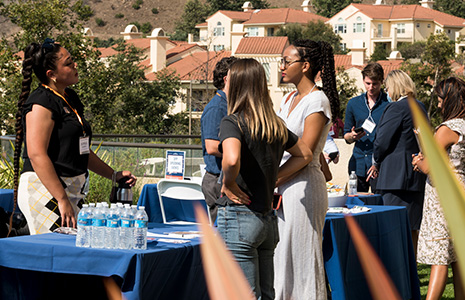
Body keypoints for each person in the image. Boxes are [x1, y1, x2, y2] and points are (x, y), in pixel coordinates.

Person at [12, 38, 136, 235]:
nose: (75, 66)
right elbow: (36, 155)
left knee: (73, 249)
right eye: (68, 64)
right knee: (55, 251)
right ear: (51, 74)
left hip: (71, 192)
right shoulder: (41, 102)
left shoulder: (70, 99)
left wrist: (114, 175)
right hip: (44, 191)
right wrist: (61, 199)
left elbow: (82, 151)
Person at [216, 58, 312, 300]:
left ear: (235, 85)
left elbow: (231, 159)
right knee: (267, 294)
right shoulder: (275, 125)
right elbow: (305, 154)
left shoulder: (232, 121)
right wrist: (274, 176)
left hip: (239, 218)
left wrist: (229, 183)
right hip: (267, 220)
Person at [274, 39, 340, 300]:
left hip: (302, 188)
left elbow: (306, 153)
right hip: (283, 187)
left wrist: (272, 179)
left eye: (287, 61)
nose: (282, 66)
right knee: (282, 258)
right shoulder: (289, 97)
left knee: (302, 261)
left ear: (305, 66)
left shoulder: (317, 101)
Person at [412, 77, 465, 300]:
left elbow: (429, 166)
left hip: (442, 197)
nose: (440, 104)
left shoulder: (447, 128)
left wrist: (418, 161)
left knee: (440, 257)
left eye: (442, 99)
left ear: (450, 100)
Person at [368, 69, 427, 253]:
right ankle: (410, 273)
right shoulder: (420, 106)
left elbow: (382, 141)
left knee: (392, 230)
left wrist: (376, 161)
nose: (387, 92)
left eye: (387, 88)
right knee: (411, 230)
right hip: (415, 176)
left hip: (395, 178)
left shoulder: (396, 107)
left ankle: (396, 274)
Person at [200, 56, 237, 224]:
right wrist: (238, 152)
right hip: (217, 180)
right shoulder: (216, 108)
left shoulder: (229, 105)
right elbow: (212, 147)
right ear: (227, 79)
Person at [344, 62, 389, 193]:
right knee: (357, 203)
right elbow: (346, 135)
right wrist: (352, 136)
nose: (370, 87)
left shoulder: (389, 104)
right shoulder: (353, 104)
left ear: (381, 82)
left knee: (379, 203)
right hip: (358, 163)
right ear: (363, 81)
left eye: (374, 84)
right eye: (367, 83)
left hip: (379, 165)